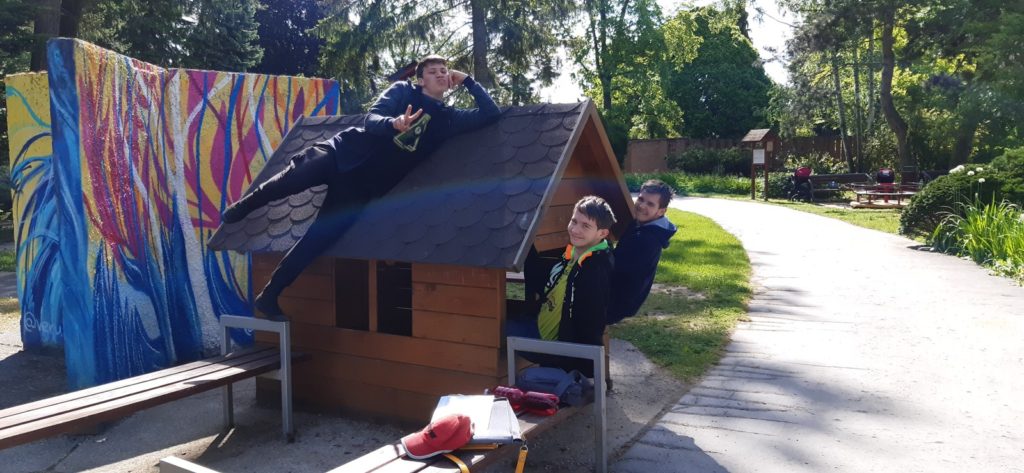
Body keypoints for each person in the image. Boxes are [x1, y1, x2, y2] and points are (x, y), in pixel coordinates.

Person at [222, 55, 501, 321]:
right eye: (433, 71)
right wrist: (394, 123)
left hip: (364, 185)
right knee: (294, 178)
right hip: (343, 153)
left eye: (444, 71)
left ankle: (270, 295)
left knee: (319, 239)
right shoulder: (403, 91)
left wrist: (468, 81)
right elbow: (372, 119)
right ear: (420, 80)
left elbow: (491, 114)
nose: (441, 74)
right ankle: (245, 206)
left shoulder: (449, 119)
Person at [507, 195, 616, 376]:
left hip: (558, 349)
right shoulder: (574, 254)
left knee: (500, 329)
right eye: (574, 221)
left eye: (585, 226)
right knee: (512, 318)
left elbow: (591, 322)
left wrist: (575, 363)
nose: (575, 229)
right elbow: (544, 280)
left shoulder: (595, 269)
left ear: (602, 233)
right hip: (540, 326)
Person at [607, 179, 677, 325]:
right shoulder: (639, 225)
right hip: (617, 295)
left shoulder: (646, 240)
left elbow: (614, 266)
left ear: (661, 211)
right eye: (641, 199)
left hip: (616, 302)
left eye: (650, 204)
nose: (642, 205)